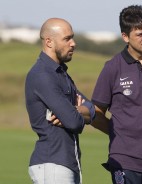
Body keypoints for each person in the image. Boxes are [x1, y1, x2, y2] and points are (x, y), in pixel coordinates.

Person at [90, 5, 142, 184]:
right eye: (140, 34)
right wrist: (118, 133)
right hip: (125, 160)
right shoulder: (112, 68)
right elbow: (96, 113)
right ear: (125, 37)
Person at [25, 18, 95, 184]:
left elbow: (92, 108)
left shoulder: (59, 74)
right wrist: (75, 113)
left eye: (72, 37)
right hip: (53, 165)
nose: (73, 43)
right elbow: (74, 123)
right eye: (67, 38)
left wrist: (77, 110)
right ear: (49, 42)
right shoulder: (43, 75)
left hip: (65, 164)